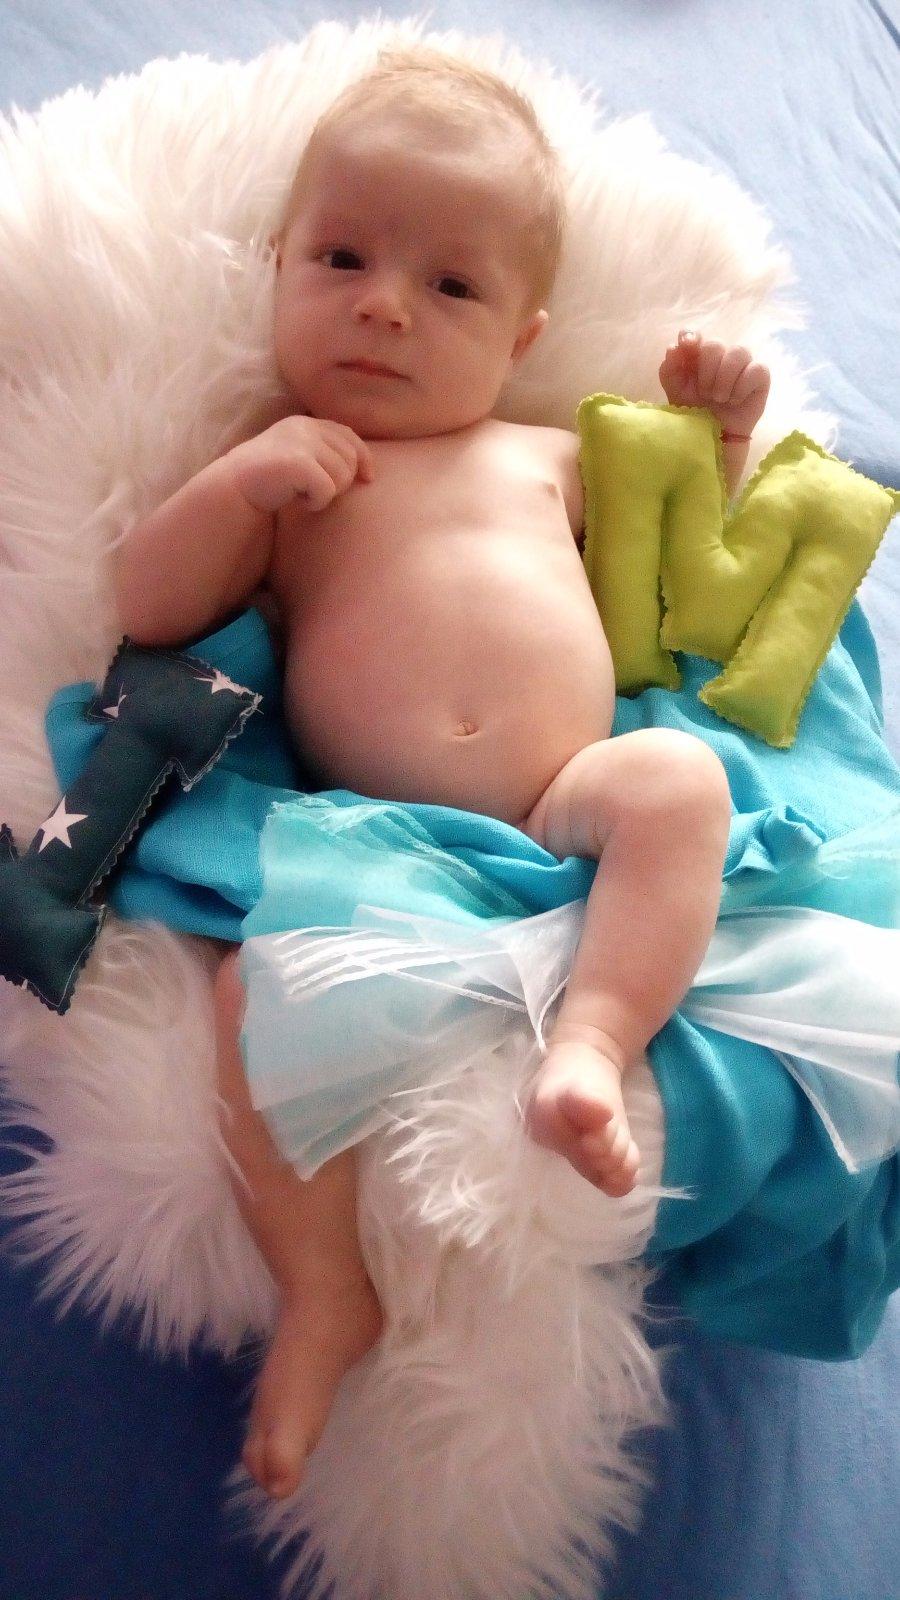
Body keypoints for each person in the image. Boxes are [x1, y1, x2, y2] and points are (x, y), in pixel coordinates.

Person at [113, 45, 770, 1501]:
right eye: (341, 259)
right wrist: (237, 488)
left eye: (450, 286)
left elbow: (682, 569)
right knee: (250, 991)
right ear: (279, 265)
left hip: (561, 799)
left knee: (680, 784)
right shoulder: (284, 468)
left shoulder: (547, 453)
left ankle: (592, 1040)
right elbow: (148, 608)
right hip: (377, 834)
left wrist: (719, 438)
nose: (385, 305)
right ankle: (324, 1289)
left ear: (522, 337)